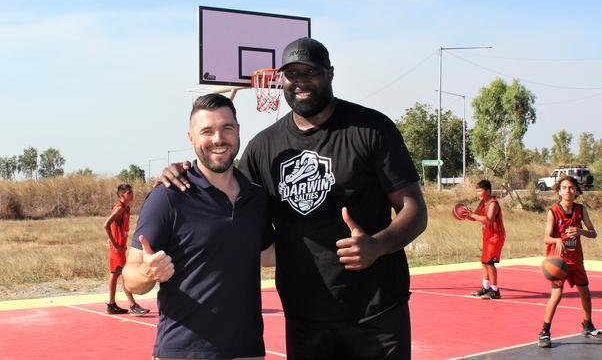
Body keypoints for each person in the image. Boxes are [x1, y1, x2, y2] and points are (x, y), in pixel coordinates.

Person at [160, 37, 428, 359]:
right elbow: (226, 192)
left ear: (329, 73)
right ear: (281, 80)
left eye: (309, 72)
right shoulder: (263, 148)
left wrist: (377, 246)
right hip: (305, 319)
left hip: (376, 313)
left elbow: (414, 209)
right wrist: (184, 170)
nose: (299, 82)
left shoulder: (371, 129)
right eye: (291, 74)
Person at [122, 94, 275, 359]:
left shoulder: (255, 197)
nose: (218, 139)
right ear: (191, 138)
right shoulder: (168, 196)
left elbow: (268, 254)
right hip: (184, 351)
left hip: (247, 350)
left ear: (238, 131)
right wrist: (148, 273)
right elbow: (131, 277)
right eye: (207, 131)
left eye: (227, 128)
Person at [537, 176, 601, 348]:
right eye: (564, 187)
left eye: (571, 188)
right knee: (556, 296)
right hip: (559, 262)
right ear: (559, 191)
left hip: (576, 260)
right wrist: (557, 240)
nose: (568, 191)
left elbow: (593, 233)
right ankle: (544, 332)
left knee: (585, 294)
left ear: (577, 191)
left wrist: (581, 231)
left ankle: (587, 326)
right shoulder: (553, 211)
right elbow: (546, 238)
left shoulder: (580, 210)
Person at [103, 184, 150, 316]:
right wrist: (114, 243)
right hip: (117, 249)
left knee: (115, 274)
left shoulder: (125, 208)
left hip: (119, 248)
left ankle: (111, 304)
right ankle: (133, 305)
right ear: (122, 195)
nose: (132, 194)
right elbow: (106, 225)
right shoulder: (119, 209)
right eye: (129, 193)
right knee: (124, 275)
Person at [464, 179, 505, 300]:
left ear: (487, 191)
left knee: (490, 263)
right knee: (484, 262)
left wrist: (472, 215)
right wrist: (465, 215)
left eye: (480, 190)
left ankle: (495, 290)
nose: (478, 193)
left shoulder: (493, 203)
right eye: (477, 190)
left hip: (496, 236)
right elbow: (475, 217)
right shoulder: (483, 203)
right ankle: (485, 287)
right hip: (487, 236)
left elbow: (488, 219)